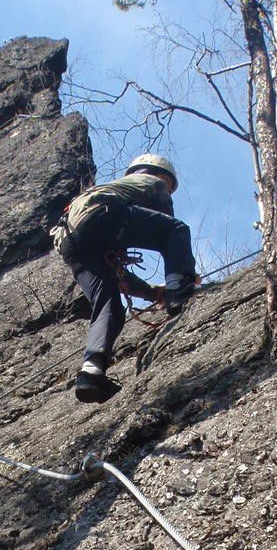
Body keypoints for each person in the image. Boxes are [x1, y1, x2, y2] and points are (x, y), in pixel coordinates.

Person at [56, 154, 199, 403]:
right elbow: (167, 222)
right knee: (177, 230)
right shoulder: (147, 181)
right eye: (167, 183)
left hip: (72, 242)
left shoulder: (111, 190)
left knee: (108, 307)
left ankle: (91, 374)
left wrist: (154, 293)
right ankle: (180, 291)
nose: (167, 188)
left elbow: (121, 279)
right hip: (102, 215)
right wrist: (180, 277)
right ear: (157, 173)